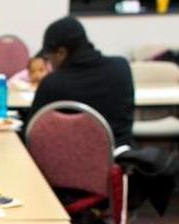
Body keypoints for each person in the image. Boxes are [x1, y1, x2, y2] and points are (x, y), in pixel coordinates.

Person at [28, 16, 133, 150]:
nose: (51, 64)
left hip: (69, 163)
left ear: (61, 53)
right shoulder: (121, 68)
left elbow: (32, 134)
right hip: (118, 162)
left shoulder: (52, 84)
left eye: (49, 58)